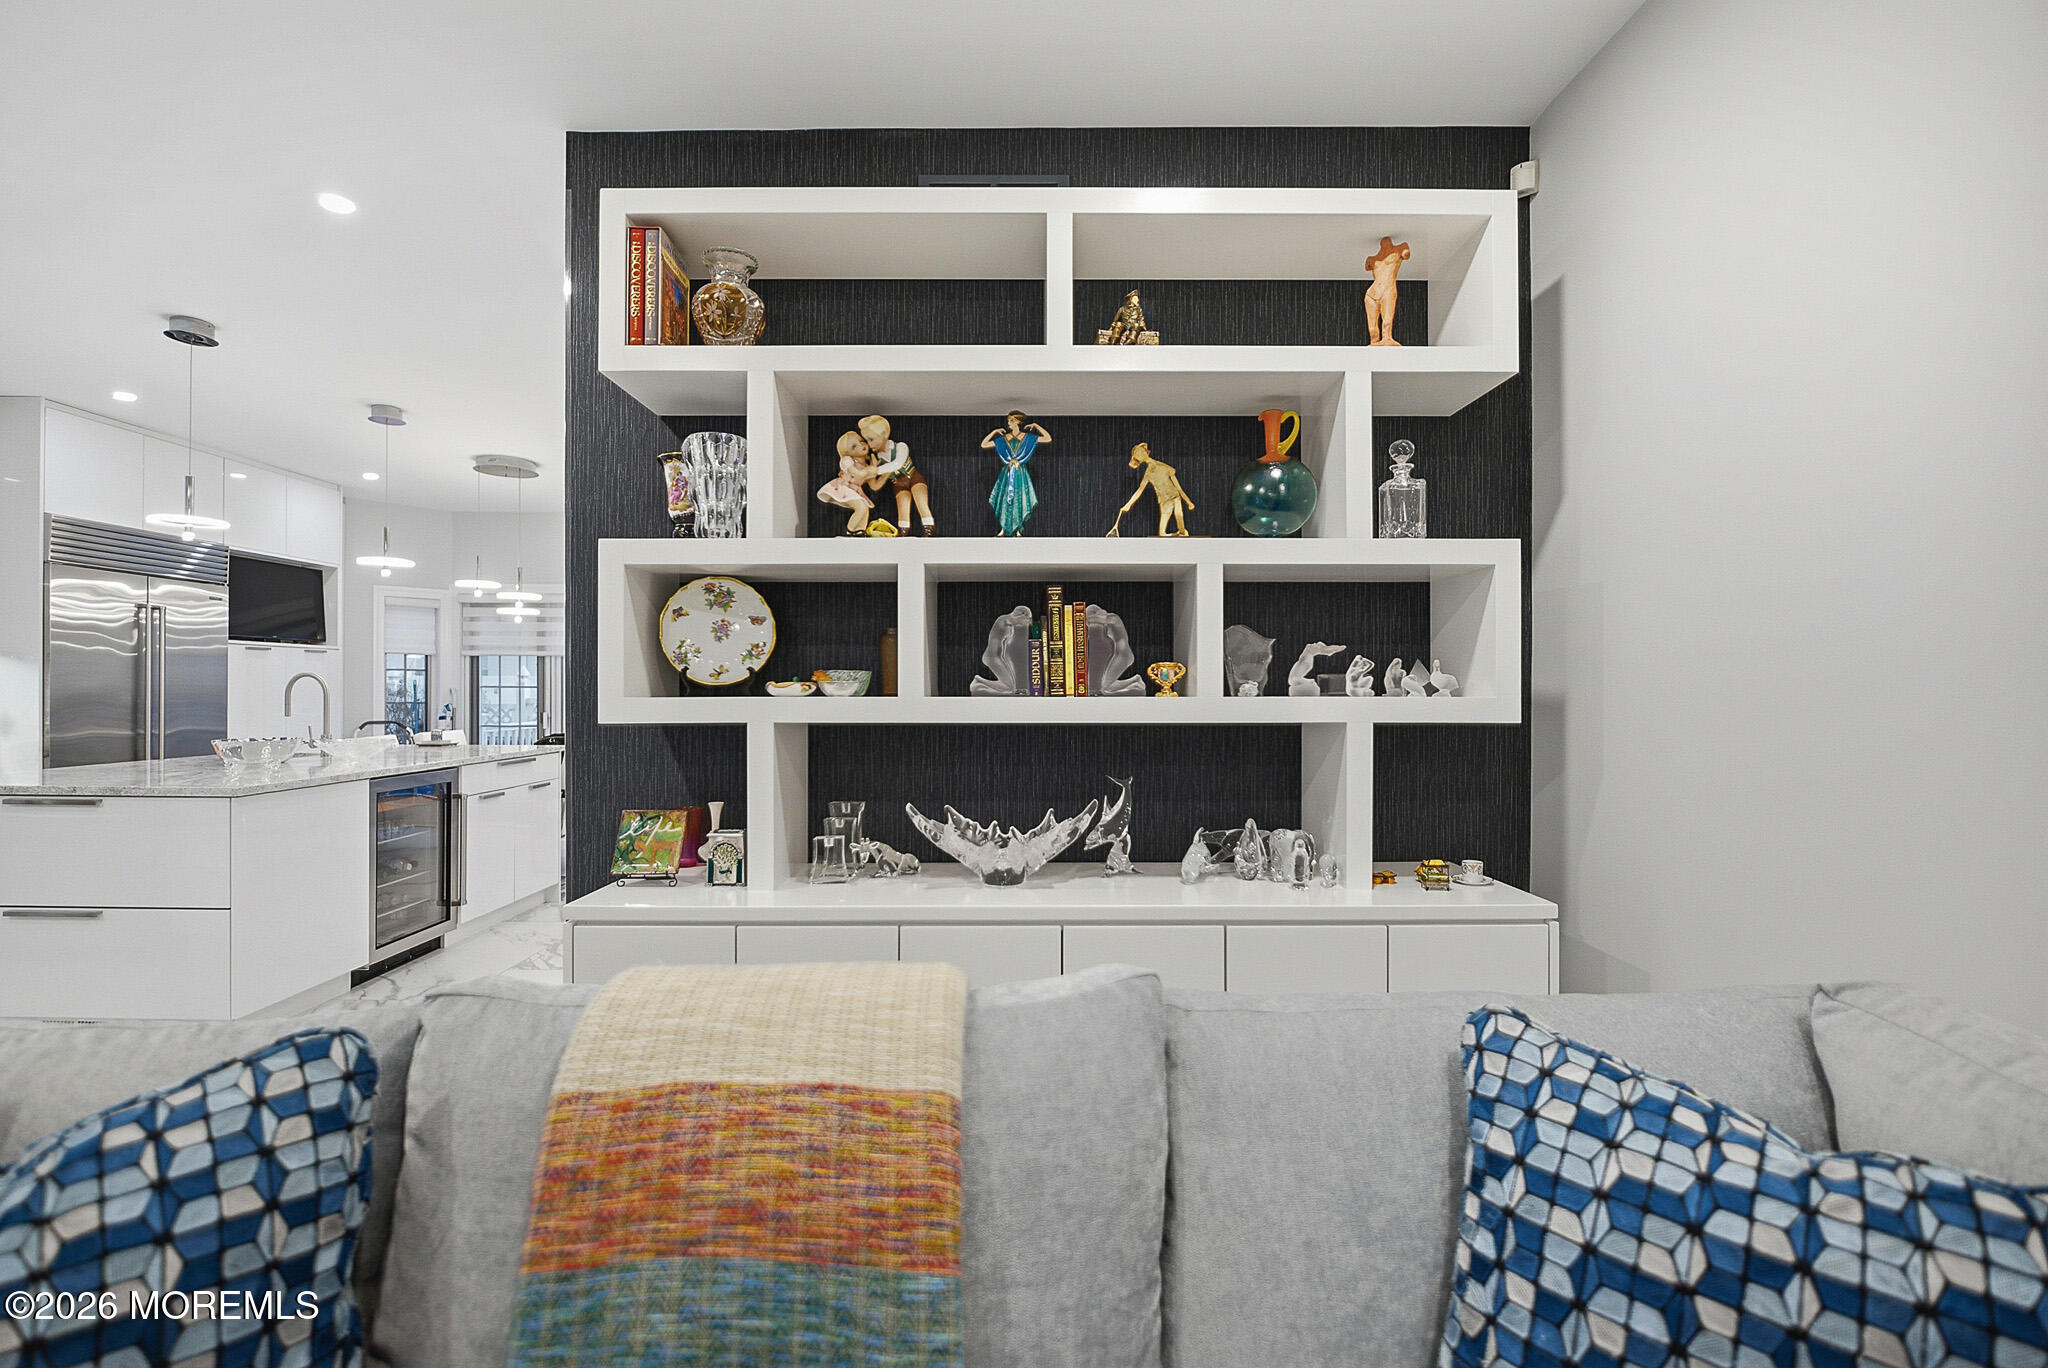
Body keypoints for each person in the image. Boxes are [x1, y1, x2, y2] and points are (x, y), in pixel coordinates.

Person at [857, 414, 933, 536]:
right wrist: (865, 476)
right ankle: (903, 533)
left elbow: (897, 464)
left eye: (871, 439)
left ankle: (928, 530)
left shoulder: (900, 447)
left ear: (883, 434)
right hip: (898, 483)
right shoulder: (877, 459)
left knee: (921, 503)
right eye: (867, 440)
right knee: (903, 508)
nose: (869, 445)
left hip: (913, 478)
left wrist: (875, 471)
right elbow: (876, 486)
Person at [981, 410, 1050, 536]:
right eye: (1008, 420)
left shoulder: (1027, 438)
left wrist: (1036, 426)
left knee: (1019, 497)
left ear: (1017, 422)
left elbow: (1047, 438)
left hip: (1019, 472)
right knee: (1004, 498)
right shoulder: (1004, 439)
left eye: (1011, 420)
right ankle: (1003, 528)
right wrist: (994, 432)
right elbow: (984, 444)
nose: (1008, 423)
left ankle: (1018, 528)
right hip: (1007, 473)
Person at [1108, 442, 1194, 537]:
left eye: (1141, 451)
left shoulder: (1164, 467)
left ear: (1146, 452)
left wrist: (1188, 502)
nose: (1141, 454)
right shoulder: (1148, 474)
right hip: (1164, 501)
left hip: (1175, 497)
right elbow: (1139, 491)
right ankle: (1176, 534)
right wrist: (1128, 504)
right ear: (1138, 460)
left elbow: (1178, 488)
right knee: (1162, 533)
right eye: (1138, 454)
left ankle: (1181, 533)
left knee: (1179, 516)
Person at [816, 430, 879, 535]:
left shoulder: (865, 464)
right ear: (846, 453)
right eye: (854, 447)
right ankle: (850, 530)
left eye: (861, 441)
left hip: (855, 490)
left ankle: (860, 531)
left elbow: (873, 480)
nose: (861, 445)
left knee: (865, 508)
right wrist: (871, 469)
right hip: (846, 488)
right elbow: (856, 473)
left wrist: (875, 467)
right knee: (861, 508)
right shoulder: (847, 460)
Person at [1364, 236, 1411, 346]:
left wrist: (1406, 249)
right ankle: (1374, 345)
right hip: (1373, 292)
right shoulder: (1373, 259)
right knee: (1372, 330)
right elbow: (1367, 266)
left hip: (1388, 290)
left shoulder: (1399, 249)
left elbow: (1406, 255)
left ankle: (1387, 340)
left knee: (1387, 324)